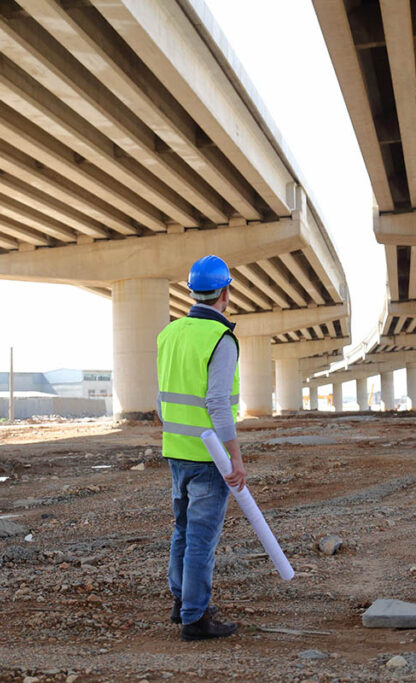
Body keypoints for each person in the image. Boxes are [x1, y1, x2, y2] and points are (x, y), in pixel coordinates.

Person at [156, 254, 246, 641]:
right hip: (209, 457)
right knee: (201, 541)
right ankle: (195, 618)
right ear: (225, 292)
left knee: (182, 532)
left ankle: (181, 603)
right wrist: (235, 457)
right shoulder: (220, 338)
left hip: (176, 450)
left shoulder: (169, 334)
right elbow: (217, 404)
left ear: (192, 292)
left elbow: (161, 399)